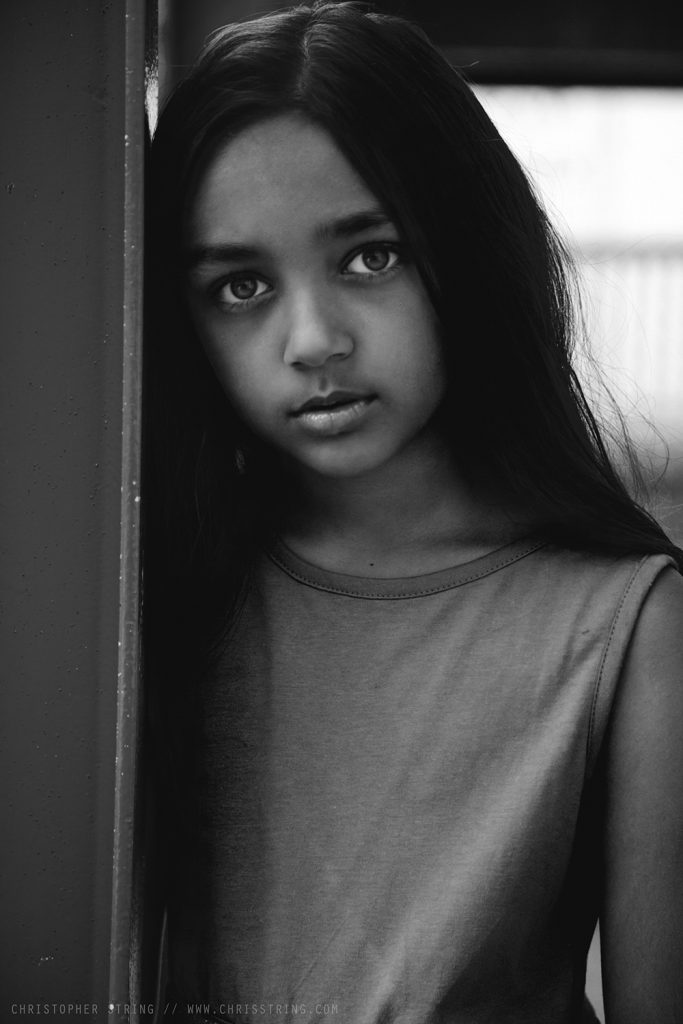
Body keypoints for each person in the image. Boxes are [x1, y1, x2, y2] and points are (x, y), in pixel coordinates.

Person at [143, 3, 683, 1022]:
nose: (312, 339)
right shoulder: (155, 596)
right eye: (242, 283)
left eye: (369, 257)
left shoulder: (629, 627)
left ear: (471, 250)